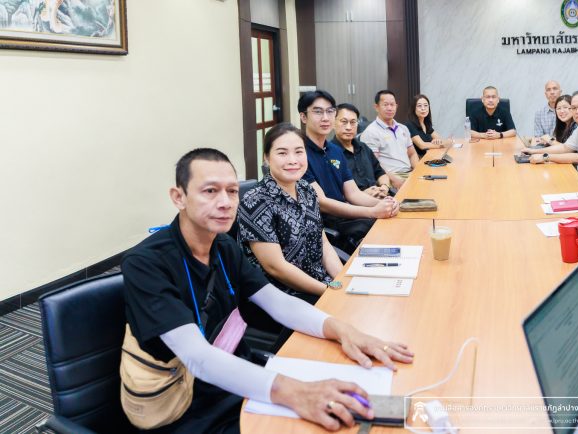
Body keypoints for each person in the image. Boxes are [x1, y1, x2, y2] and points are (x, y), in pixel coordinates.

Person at [121, 148, 414, 432]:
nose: (225, 202)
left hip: (241, 374)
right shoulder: (145, 264)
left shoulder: (223, 245)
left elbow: (277, 302)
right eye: (210, 191)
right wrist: (295, 392)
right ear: (179, 197)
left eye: (232, 191)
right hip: (190, 403)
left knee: (357, 404)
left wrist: (343, 330)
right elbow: (198, 358)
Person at [238, 123, 344, 305]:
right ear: (266, 158)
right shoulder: (255, 201)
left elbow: (324, 244)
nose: (293, 160)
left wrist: (341, 283)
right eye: (282, 153)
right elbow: (276, 268)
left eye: (299, 152)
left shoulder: (306, 189)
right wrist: (329, 291)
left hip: (320, 284)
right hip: (280, 296)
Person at [297, 90, 398, 253]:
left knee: (393, 219)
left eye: (330, 111)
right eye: (318, 112)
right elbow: (323, 203)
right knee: (378, 227)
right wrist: (372, 211)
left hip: (346, 216)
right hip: (323, 225)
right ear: (303, 117)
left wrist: (387, 203)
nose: (325, 118)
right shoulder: (299, 154)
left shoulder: (335, 151)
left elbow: (353, 194)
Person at [523, 90, 578, 185]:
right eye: (574, 108)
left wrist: (545, 157)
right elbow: (565, 147)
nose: (577, 111)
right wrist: (533, 151)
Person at [360, 90, 419, 188]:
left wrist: (418, 172)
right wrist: (394, 179)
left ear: (396, 106)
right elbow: (374, 164)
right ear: (376, 107)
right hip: (389, 178)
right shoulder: (371, 132)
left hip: (409, 174)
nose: (389, 108)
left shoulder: (403, 128)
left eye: (392, 104)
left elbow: (412, 154)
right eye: (385, 104)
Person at [334, 103, 392, 199]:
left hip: (380, 196)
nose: (348, 127)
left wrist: (384, 187)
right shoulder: (330, 153)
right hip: (354, 203)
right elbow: (335, 192)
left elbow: (380, 173)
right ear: (333, 123)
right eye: (344, 122)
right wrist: (363, 194)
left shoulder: (364, 147)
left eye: (353, 122)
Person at [405, 94, 447, 158]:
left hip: (429, 157)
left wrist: (437, 141)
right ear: (414, 108)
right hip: (418, 160)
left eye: (426, 105)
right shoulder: (409, 125)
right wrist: (442, 145)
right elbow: (422, 145)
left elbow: (439, 139)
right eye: (419, 106)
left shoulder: (426, 123)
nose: (423, 108)